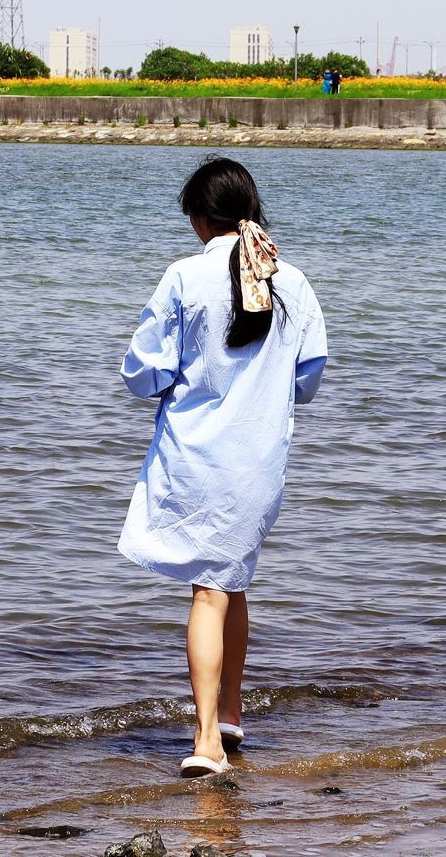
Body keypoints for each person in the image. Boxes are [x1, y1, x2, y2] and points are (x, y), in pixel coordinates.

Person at [118, 156, 328, 778]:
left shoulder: (185, 276)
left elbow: (142, 373)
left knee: (208, 590)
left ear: (199, 219)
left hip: (197, 457)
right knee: (231, 581)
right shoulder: (294, 281)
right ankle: (231, 712)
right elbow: (308, 380)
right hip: (260, 461)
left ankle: (207, 738)